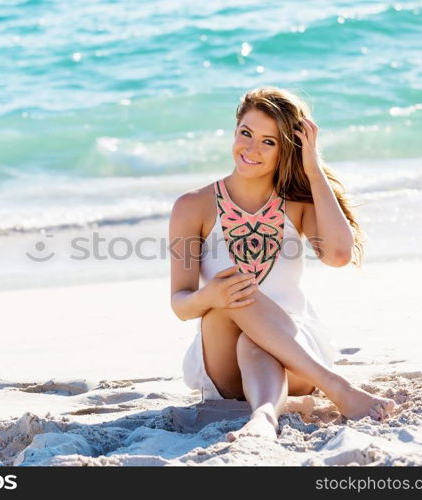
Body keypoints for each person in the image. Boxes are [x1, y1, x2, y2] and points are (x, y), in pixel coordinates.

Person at [169, 86, 395, 441]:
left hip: (297, 358)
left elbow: (337, 255)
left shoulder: (298, 203)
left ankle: (263, 417)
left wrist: (313, 169)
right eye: (246, 133)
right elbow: (181, 305)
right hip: (223, 359)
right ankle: (338, 390)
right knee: (236, 290)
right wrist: (211, 294)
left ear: (287, 150)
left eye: (268, 142)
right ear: (234, 132)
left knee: (255, 342)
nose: (251, 148)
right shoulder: (191, 206)